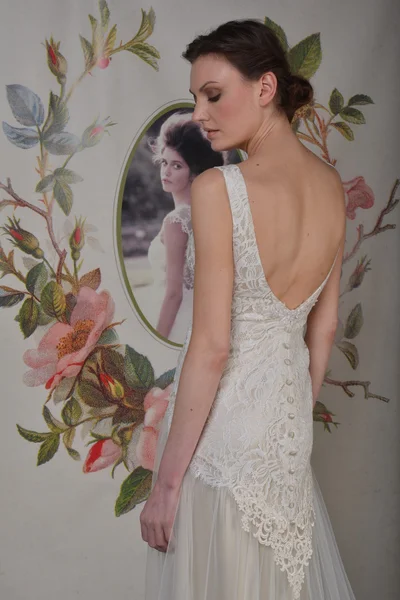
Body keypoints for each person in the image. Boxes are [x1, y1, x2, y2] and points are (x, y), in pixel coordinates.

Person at [140, 19, 356, 600]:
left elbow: (211, 347)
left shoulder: (219, 189)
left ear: (265, 88)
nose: (201, 113)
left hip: (222, 454)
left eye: (213, 94)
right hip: (283, 457)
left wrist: (164, 486)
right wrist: (285, 434)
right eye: (195, 99)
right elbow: (324, 328)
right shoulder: (333, 187)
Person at [145, 111, 224, 343]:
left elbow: (173, 294)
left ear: (195, 172)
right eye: (164, 162)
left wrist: (156, 341)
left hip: (175, 324)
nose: (166, 172)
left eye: (177, 166)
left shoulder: (176, 221)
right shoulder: (211, 214)